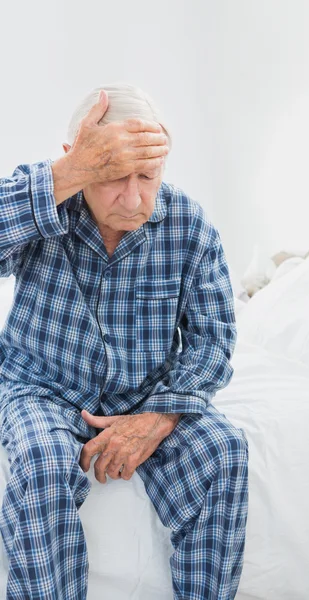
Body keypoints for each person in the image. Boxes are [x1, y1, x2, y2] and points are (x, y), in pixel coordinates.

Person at [0, 83, 249, 599]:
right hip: (40, 387)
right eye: (113, 177)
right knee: (43, 467)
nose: (134, 199)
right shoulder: (45, 196)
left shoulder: (188, 224)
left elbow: (213, 340)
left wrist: (159, 416)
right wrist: (67, 176)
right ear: (79, 160)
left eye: (148, 177)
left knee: (225, 451)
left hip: (149, 395)